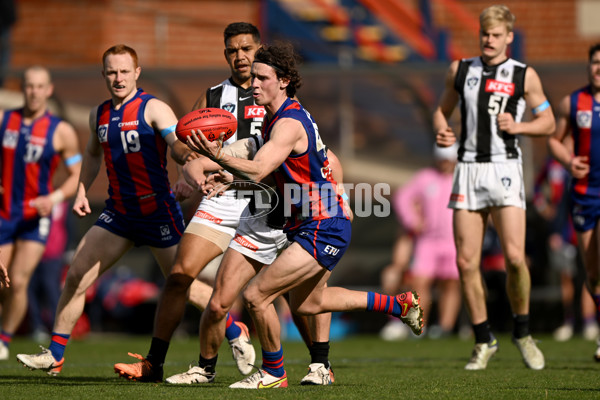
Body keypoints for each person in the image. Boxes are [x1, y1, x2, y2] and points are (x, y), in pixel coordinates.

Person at [186, 41, 423, 389]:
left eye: (262, 77)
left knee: (255, 296)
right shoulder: (277, 119)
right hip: (311, 223)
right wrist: (229, 176)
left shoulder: (288, 124)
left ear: (283, 81)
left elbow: (260, 168)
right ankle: (398, 305)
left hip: (322, 225)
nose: (253, 84)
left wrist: (218, 155)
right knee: (312, 303)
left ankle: (273, 373)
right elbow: (278, 175)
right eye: (252, 77)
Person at [113, 22, 334, 385]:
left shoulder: (281, 96)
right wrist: (192, 172)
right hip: (225, 194)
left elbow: (313, 150)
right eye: (232, 50)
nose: (240, 56)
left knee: (297, 296)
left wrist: (333, 187)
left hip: (270, 200)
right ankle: (159, 363)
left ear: (260, 50)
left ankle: (318, 364)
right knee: (180, 275)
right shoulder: (213, 97)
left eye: (247, 48)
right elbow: (188, 147)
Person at [14, 44, 218, 375]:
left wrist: (190, 161)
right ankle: (55, 353)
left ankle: (235, 329)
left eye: (124, 71)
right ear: (104, 75)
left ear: (136, 73)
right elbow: (93, 154)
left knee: (183, 284)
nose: (118, 78)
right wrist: (81, 188)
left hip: (157, 212)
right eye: (111, 72)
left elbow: (177, 145)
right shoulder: (100, 114)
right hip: (119, 214)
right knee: (77, 273)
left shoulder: (154, 108)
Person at [432, 4, 555, 370]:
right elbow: (442, 110)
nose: (489, 40)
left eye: (497, 34)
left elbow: (547, 122)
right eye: (485, 33)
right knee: (466, 261)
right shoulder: (460, 69)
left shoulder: (524, 75)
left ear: (509, 38)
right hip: (468, 168)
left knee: (515, 257)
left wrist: (521, 127)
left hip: (505, 169)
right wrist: (442, 130)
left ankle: (522, 330)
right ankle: (483, 338)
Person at [0, 66, 81, 360]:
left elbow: (76, 174)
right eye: (28, 86)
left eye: (39, 86)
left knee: (19, 281)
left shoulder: (61, 131)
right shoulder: (4, 120)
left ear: (48, 90)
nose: (33, 91)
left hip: (36, 217)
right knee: (1, 281)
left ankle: (3, 341)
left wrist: (55, 197)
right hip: (4, 213)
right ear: (22, 89)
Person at [547, 43, 600, 360]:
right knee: (592, 272)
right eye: (595, 62)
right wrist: (568, 160)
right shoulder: (573, 102)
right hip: (583, 195)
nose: (599, 68)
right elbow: (554, 140)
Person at [380, 143, 462, 340]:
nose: (446, 163)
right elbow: (402, 198)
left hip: (454, 240)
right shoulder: (425, 178)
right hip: (427, 241)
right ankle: (419, 326)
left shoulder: (462, 179)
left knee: (451, 283)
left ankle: (445, 327)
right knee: (420, 281)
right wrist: (413, 221)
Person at [532, 156, 598, 342]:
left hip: (587, 227)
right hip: (564, 231)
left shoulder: (588, 161)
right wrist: (544, 209)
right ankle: (569, 321)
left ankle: (589, 321)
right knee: (566, 277)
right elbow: (538, 189)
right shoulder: (553, 164)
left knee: (590, 274)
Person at [27, 200, 70, 343]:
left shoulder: (62, 202)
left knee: (51, 289)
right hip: (32, 252)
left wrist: (68, 250)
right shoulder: (33, 200)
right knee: (30, 290)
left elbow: (69, 226)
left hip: (54, 253)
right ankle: (37, 326)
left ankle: (58, 329)